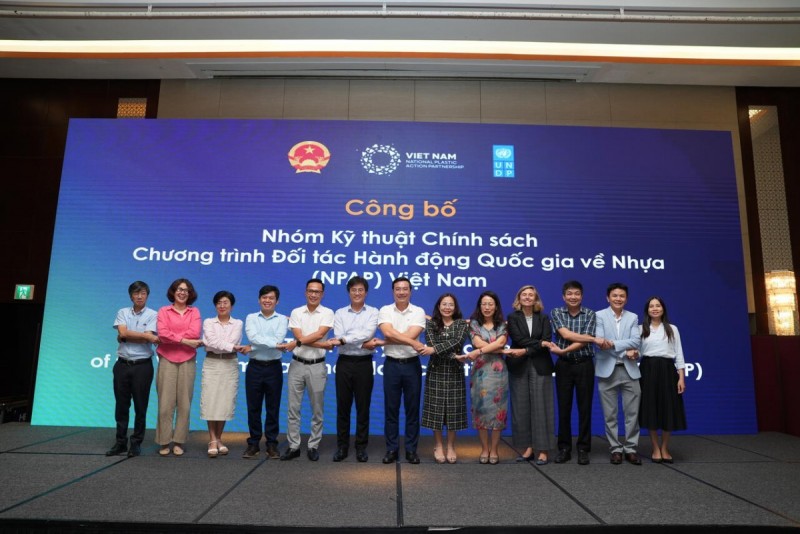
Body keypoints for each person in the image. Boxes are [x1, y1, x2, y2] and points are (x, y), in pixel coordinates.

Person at [329, 276, 383, 462]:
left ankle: (361, 447)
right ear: (349, 292)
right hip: (344, 363)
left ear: (366, 293)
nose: (357, 293)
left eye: (361, 290)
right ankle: (342, 447)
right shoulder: (340, 313)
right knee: (342, 407)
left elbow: (367, 333)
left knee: (363, 407)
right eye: (354, 290)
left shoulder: (373, 312)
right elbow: (338, 335)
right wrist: (360, 343)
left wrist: (346, 340)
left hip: (364, 364)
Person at [281, 278, 335, 462]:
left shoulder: (328, 313)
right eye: (311, 291)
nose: (313, 294)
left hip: (317, 365)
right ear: (305, 292)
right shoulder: (296, 312)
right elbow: (300, 336)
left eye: (317, 292)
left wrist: (296, 343)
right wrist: (323, 345)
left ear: (322, 294)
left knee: (317, 409)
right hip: (296, 365)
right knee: (293, 408)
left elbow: (319, 334)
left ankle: (313, 445)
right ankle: (293, 446)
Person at [504, 285, 555, 466]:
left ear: (535, 299)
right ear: (519, 298)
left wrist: (527, 350)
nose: (527, 297)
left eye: (530, 295)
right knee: (522, 408)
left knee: (541, 408)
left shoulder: (544, 318)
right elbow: (519, 339)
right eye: (524, 295)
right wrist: (539, 344)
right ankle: (528, 448)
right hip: (519, 366)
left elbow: (547, 339)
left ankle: (543, 450)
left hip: (540, 365)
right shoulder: (513, 317)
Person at [107, 281, 159, 458]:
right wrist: (142, 336)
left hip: (142, 366)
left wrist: (129, 336)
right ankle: (120, 442)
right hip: (122, 365)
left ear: (147, 295)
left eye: (143, 293)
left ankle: (136, 442)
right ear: (131, 296)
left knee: (140, 406)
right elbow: (123, 333)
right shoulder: (122, 312)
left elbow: (143, 339)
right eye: (136, 293)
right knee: (121, 406)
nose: (139, 296)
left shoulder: (153, 314)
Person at [549, 280, 599, 465]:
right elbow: (566, 335)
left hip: (585, 364)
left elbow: (585, 340)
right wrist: (592, 339)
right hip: (564, 365)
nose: (573, 297)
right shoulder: (556, 312)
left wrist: (564, 349)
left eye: (577, 293)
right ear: (564, 297)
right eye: (569, 294)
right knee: (564, 408)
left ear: (582, 296)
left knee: (585, 408)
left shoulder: (590, 314)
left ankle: (583, 449)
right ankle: (564, 448)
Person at [378, 276, 427, 464]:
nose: (401, 292)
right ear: (393, 291)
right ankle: (391, 449)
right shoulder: (385, 310)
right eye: (398, 289)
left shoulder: (418, 311)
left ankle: (411, 450)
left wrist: (390, 339)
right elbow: (387, 332)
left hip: (412, 365)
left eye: (405, 289)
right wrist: (412, 342)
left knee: (412, 410)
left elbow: (410, 334)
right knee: (391, 409)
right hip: (391, 365)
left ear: (410, 291)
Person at [635, 296, 687, 463]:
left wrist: (681, 378)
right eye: (652, 306)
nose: (655, 308)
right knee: (650, 409)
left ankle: (664, 447)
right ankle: (655, 447)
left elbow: (679, 353)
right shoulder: (640, 328)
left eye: (658, 305)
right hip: (647, 370)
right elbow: (637, 352)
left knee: (668, 409)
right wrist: (632, 353)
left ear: (663, 308)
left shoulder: (672, 329)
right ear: (647, 310)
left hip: (667, 371)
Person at [595, 282, 642, 465]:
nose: (618, 299)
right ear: (608, 298)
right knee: (610, 415)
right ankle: (615, 448)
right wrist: (624, 348)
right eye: (614, 295)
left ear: (626, 299)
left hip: (630, 371)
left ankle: (631, 448)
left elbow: (636, 341)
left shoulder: (633, 317)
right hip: (607, 370)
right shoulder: (599, 315)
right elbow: (601, 342)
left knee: (632, 414)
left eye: (622, 296)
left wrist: (614, 344)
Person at [420, 293, 470, 464]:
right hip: (436, 371)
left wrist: (435, 350)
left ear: (455, 308)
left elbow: (457, 342)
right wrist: (453, 356)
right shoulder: (431, 323)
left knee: (453, 411)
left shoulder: (461, 324)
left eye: (451, 304)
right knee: (436, 410)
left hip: (455, 372)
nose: (447, 307)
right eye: (444, 304)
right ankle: (438, 445)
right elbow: (431, 343)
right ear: (439, 306)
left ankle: (451, 446)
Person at [155, 278, 203, 456]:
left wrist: (175, 338)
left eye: (186, 290)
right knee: (165, 404)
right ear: (173, 292)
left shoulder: (194, 311)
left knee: (184, 404)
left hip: (187, 360)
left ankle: (179, 441)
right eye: (179, 289)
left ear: (190, 294)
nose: (182, 293)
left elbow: (194, 333)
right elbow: (163, 334)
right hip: (167, 359)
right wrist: (184, 341)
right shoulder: (163, 311)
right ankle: (164, 441)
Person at [242, 285, 289, 460]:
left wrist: (255, 346)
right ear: (259, 299)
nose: (267, 300)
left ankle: (271, 443)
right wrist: (274, 345)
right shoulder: (251, 317)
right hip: (254, 367)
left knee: (273, 407)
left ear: (277, 301)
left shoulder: (282, 319)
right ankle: (253, 443)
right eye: (264, 297)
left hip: (274, 367)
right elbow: (253, 338)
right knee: (253, 407)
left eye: (271, 298)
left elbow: (279, 338)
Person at [201, 290, 247, 458]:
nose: (222, 305)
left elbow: (227, 342)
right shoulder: (208, 322)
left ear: (231, 306)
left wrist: (225, 345)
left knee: (225, 402)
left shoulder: (238, 323)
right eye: (219, 303)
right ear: (215, 305)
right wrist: (231, 346)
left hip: (230, 363)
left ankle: (218, 439)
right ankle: (213, 440)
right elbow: (212, 342)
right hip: (212, 363)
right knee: (211, 401)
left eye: (225, 302)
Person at [466, 290, 509, 465]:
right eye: (484, 304)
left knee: (498, 411)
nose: (487, 307)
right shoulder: (474, 324)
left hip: (499, 372)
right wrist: (492, 347)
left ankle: (495, 449)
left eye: (490, 304)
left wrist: (480, 351)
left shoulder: (503, 325)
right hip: (480, 370)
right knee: (481, 409)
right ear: (480, 306)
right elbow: (477, 342)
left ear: (496, 306)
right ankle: (484, 449)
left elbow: (501, 342)